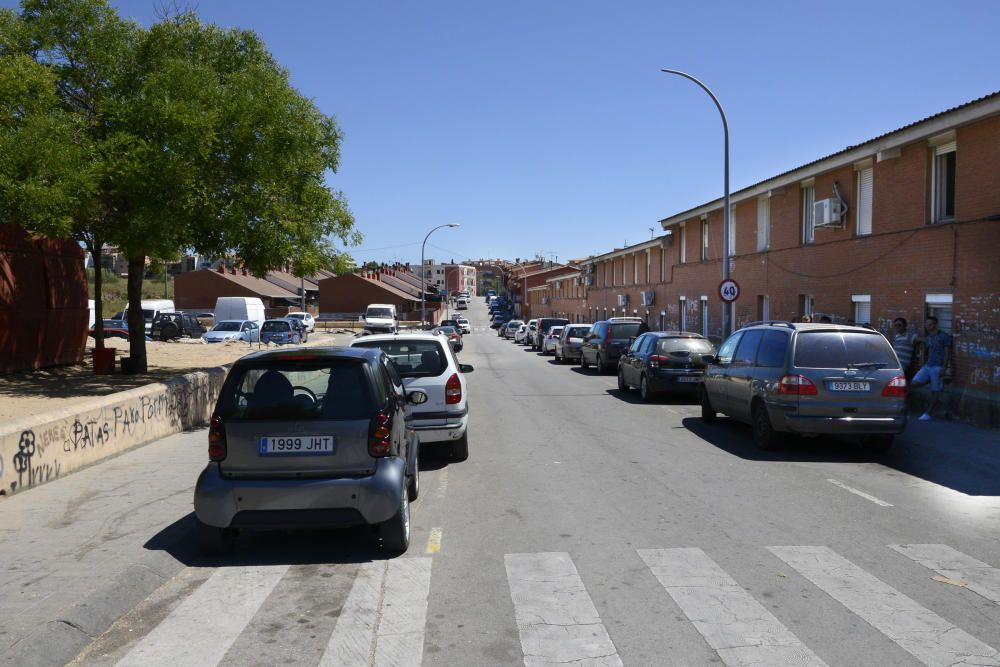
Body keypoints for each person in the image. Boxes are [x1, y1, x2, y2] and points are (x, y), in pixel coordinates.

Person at [910, 316, 952, 421]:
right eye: (926, 324)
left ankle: (928, 413)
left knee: (935, 391)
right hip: (927, 366)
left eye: (930, 324)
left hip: (938, 367)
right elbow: (921, 342)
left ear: (935, 325)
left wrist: (944, 367)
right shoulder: (929, 338)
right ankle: (928, 380)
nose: (927, 326)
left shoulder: (944, 336)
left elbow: (947, 353)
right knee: (913, 384)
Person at [890, 317, 919, 382]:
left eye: (899, 325)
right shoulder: (896, 336)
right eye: (896, 325)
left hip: (902, 365)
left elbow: (921, 340)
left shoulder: (910, 335)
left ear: (905, 326)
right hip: (894, 364)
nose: (897, 327)